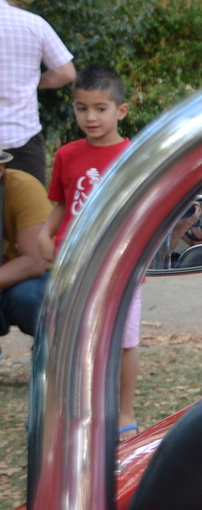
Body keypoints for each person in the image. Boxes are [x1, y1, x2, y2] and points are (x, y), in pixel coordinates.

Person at [37, 65, 143, 439]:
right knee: (68, 341)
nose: (90, 117)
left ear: (121, 110)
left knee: (124, 342)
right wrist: (46, 234)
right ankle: (71, 411)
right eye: (82, 108)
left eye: (100, 108)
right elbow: (63, 204)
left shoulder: (134, 157)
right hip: (72, 265)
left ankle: (124, 412)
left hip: (120, 267)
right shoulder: (66, 155)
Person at [0, 0, 76, 185]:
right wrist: (35, 81)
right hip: (23, 140)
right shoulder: (34, 24)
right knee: (29, 206)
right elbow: (66, 72)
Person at [0, 150, 53, 342]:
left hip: (41, 273)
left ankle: (51, 347)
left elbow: (35, 261)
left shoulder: (23, 188)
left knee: (27, 297)